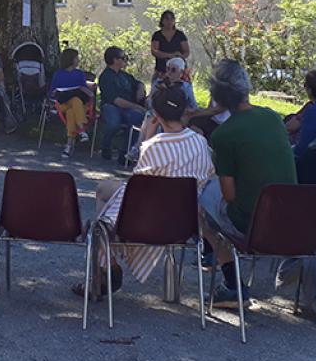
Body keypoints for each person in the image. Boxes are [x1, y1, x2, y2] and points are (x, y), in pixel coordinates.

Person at [77, 85, 216, 297]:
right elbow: (206, 177)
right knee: (105, 189)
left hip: (150, 216)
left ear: (156, 115)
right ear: (185, 111)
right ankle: (106, 259)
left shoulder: (154, 146)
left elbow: (138, 187)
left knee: (105, 207)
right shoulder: (201, 142)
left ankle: (106, 262)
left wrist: (147, 137)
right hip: (184, 219)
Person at [198, 59, 296, 309]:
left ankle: (232, 284)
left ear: (217, 97)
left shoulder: (224, 135)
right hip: (292, 219)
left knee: (200, 209)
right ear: (245, 89)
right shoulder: (273, 117)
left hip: (251, 224)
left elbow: (229, 196)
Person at [97, 46, 147, 165]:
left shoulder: (125, 76)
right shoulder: (105, 77)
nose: (126, 60)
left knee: (137, 118)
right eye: (123, 58)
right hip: (111, 106)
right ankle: (106, 145)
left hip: (128, 108)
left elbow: (139, 83)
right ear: (115, 60)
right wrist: (136, 106)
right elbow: (116, 100)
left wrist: (140, 88)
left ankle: (125, 153)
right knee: (114, 123)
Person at [48, 48, 94, 157]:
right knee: (74, 102)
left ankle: (68, 146)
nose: (78, 60)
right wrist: (56, 93)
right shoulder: (58, 74)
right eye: (76, 58)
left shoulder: (79, 74)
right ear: (71, 59)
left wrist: (85, 90)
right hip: (62, 104)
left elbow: (86, 91)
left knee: (72, 110)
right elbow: (51, 93)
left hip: (78, 106)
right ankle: (81, 129)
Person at [150, 10, 190, 87]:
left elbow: (186, 52)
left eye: (172, 19)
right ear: (162, 21)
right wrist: (169, 55)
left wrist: (179, 56)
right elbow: (154, 51)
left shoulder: (180, 34)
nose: (169, 21)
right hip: (161, 69)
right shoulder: (157, 35)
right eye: (167, 19)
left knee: (184, 91)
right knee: (157, 92)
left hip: (179, 70)